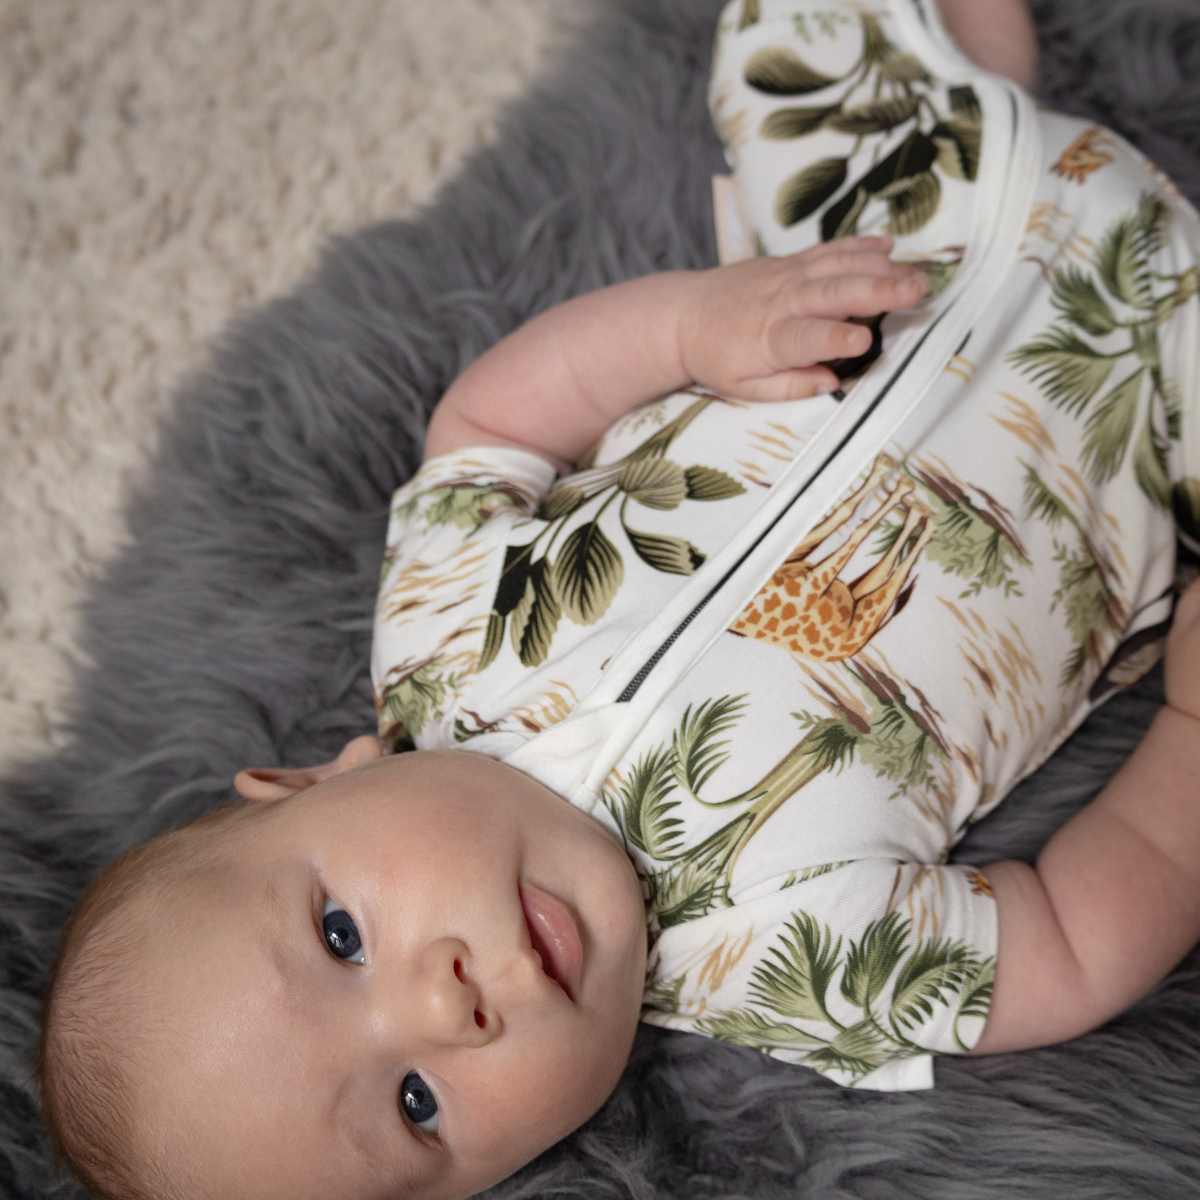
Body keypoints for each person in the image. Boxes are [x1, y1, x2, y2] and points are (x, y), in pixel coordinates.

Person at [35, 1, 1200, 1199]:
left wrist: (696, 325)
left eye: (343, 937)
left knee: (790, 42)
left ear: (311, 782)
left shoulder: (441, 639)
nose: (443, 1005)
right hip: (1148, 425)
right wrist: (1188, 728)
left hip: (882, 227)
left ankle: (987, 65)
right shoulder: (785, 964)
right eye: (417, 1105)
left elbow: (493, 423)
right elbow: (1070, 946)